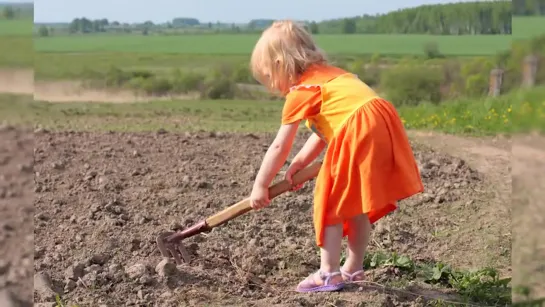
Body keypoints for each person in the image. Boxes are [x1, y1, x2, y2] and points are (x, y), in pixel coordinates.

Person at [248, 20, 424, 293]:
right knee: (354, 204)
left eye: (270, 76)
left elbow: (278, 146)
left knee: (330, 201)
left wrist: (260, 185)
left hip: (358, 128)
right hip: (381, 120)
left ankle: (328, 273)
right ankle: (353, 268)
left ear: (282, 64)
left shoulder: (303, 91)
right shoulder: (335, 76)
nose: (273, 85)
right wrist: (299, 164)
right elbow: (322, 132)